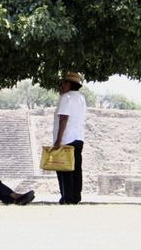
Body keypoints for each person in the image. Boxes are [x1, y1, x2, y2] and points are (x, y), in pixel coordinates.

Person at [52, 71, 87, 204]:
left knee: (63, 169)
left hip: (66, 138)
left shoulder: (66, 98)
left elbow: (64, 118)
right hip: (78, 137)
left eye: (63, 83)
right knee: (76, 168)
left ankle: (67, 197)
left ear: (68, 84)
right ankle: (75, 197)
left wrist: (58, 140)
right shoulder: (81, 98)